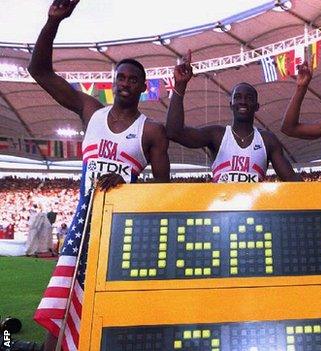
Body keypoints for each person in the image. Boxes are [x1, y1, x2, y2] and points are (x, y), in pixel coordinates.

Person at [28, 1, 170, 350]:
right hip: (82, 225)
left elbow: (163, 192)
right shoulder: (90, 110)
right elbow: (40, 71)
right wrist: (52, 22)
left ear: (142, 87)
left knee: (111, 315)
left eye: (132, 79)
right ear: (113, 81)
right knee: (61, 313)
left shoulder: (150, 131)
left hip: (122, 235)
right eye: (120, 77)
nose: (125, 83)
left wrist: (124, 191)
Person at [166, 51, 300, 182]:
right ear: (231, 104)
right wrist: (180, 85)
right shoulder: (217, 135)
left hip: (253, 204)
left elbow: (292, 180)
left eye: (249, 98)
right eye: (237, 97)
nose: (242, 101)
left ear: (257, 106)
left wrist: (301, 87)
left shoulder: (267, 140)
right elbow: (174, 132)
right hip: (220, 203)